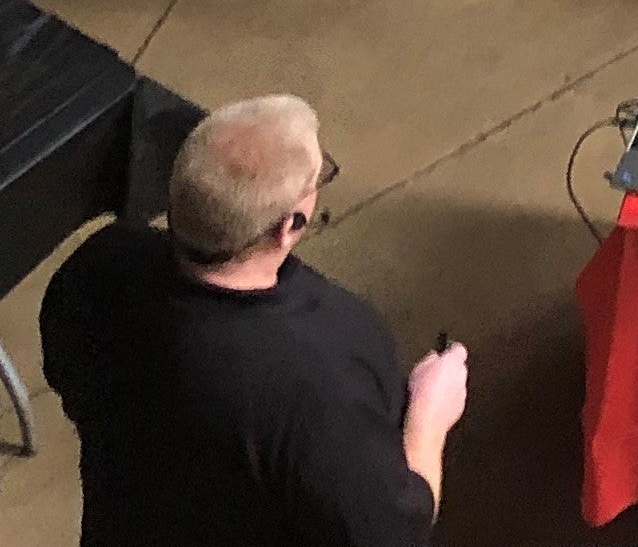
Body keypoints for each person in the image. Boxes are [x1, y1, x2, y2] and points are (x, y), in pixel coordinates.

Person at [40, 92, 461, 547]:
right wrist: (430, 418)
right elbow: (393, 533)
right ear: (289, 226)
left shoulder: (99, 267)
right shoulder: (321, 375)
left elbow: (69, 381)